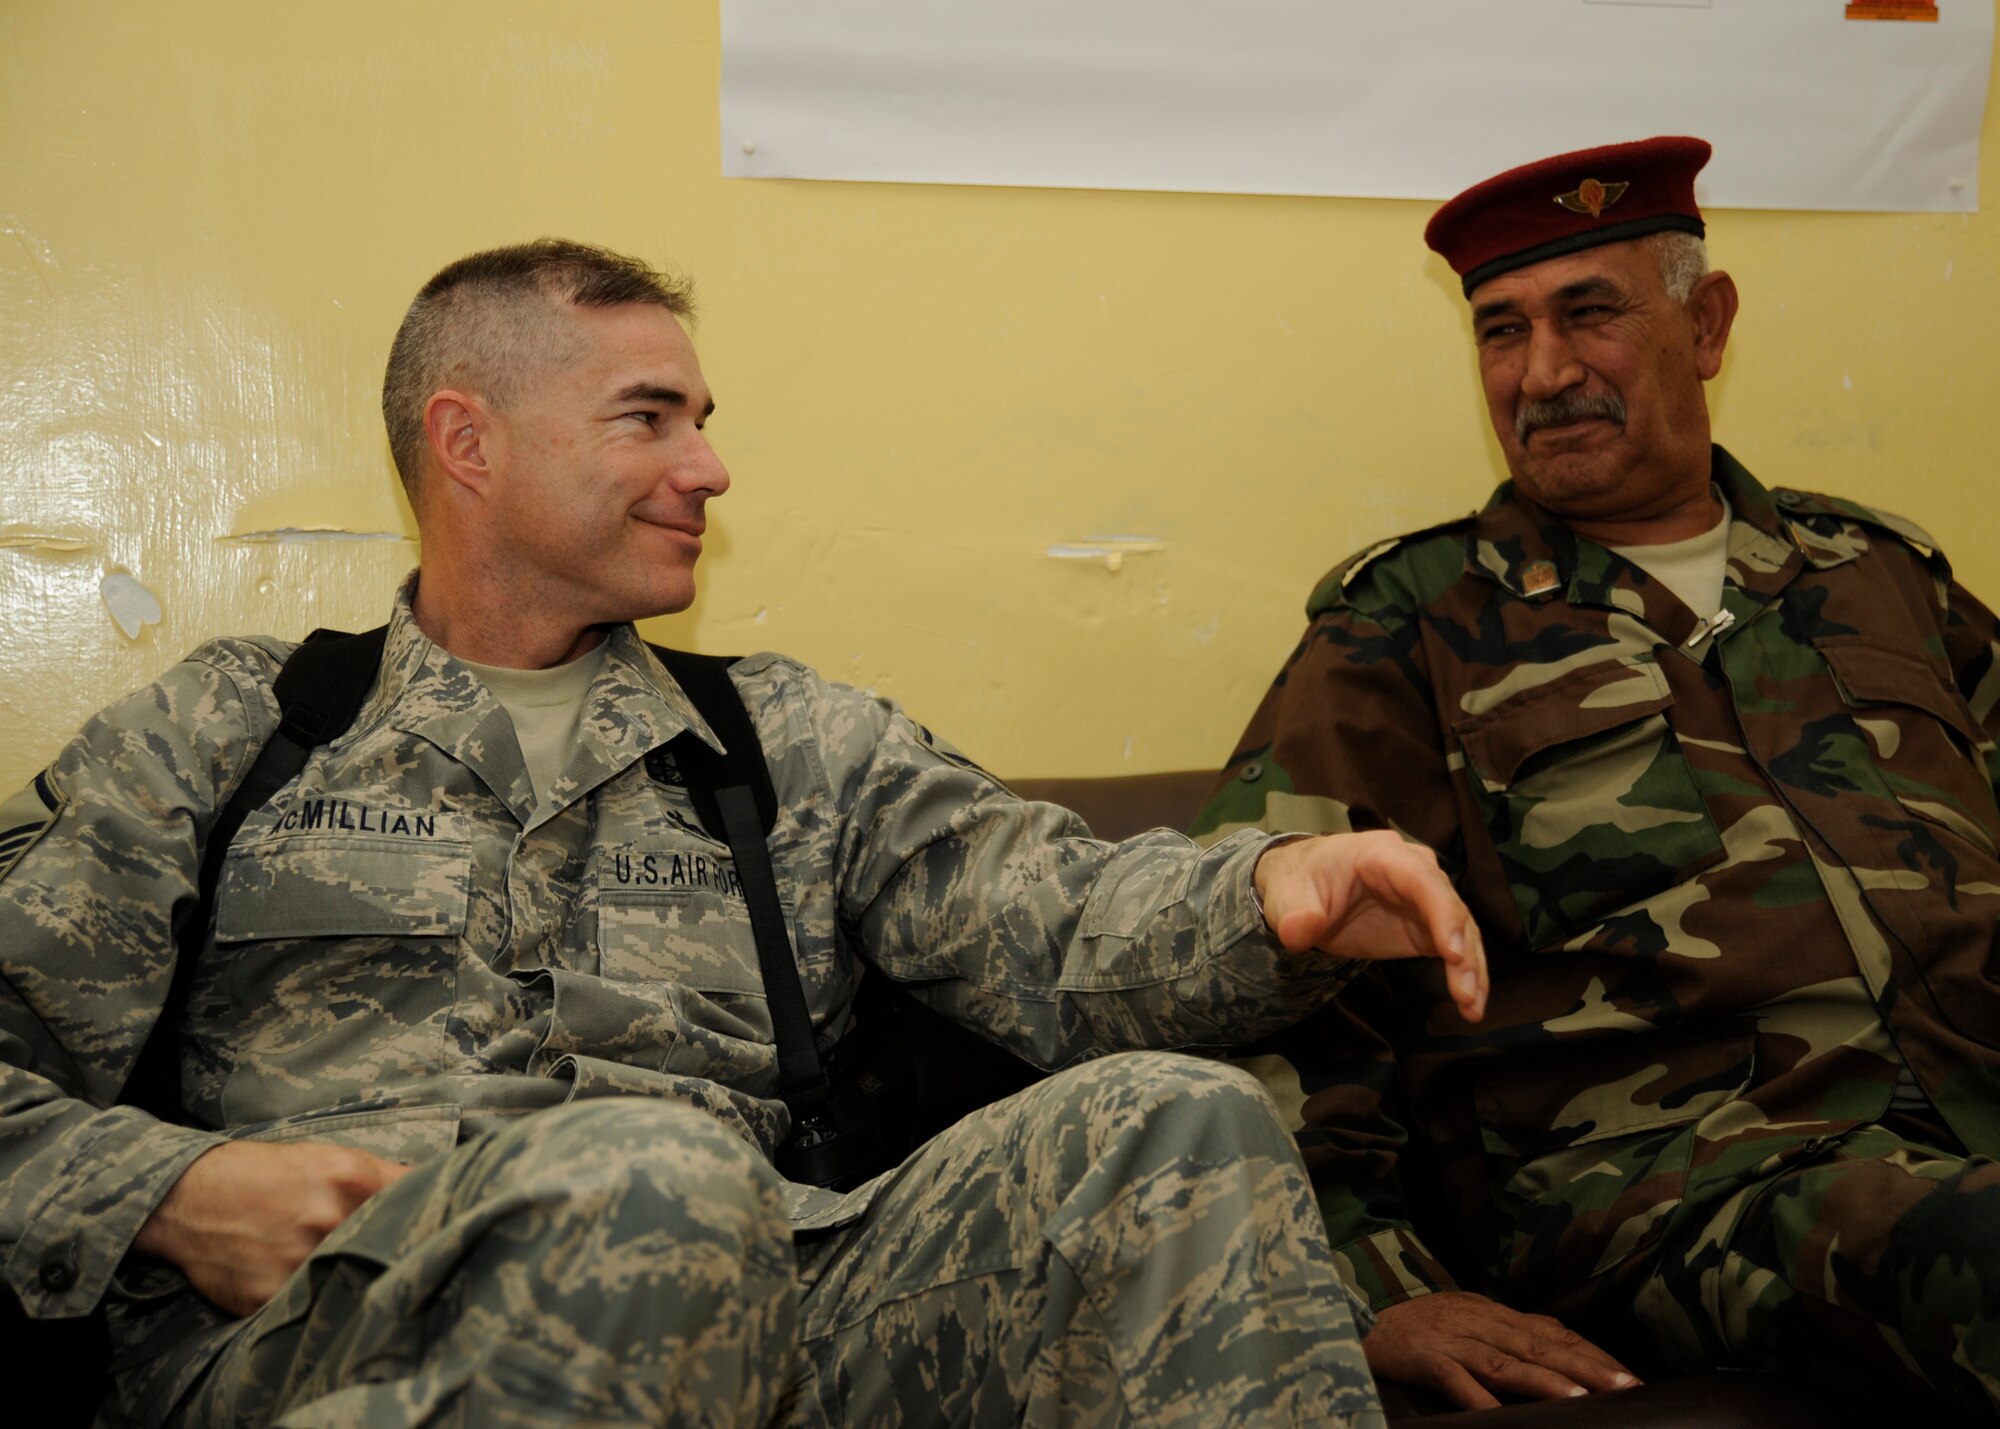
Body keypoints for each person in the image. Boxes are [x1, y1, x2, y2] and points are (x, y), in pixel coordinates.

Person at [0, 238, 1489, 1429]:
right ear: (469, 440)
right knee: (654, 1177)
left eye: (702, 422)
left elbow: (1053, 914)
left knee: (1176, 1119)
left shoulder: (781, 744)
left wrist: (1273, 895)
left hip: (769, 1304)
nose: (709, 468)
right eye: (648, 417)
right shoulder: (234, 734)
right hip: (331, 1334)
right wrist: (166, 1191)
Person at [1193, 137, 2000, 1419]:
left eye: (1588, 314)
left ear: (1706, 322)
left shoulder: (1877, 576)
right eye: (1500, 331)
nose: (1544, 372)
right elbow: (1252, 971)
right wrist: (1368, 1282)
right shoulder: (1405, 625)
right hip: (1686, 1183)